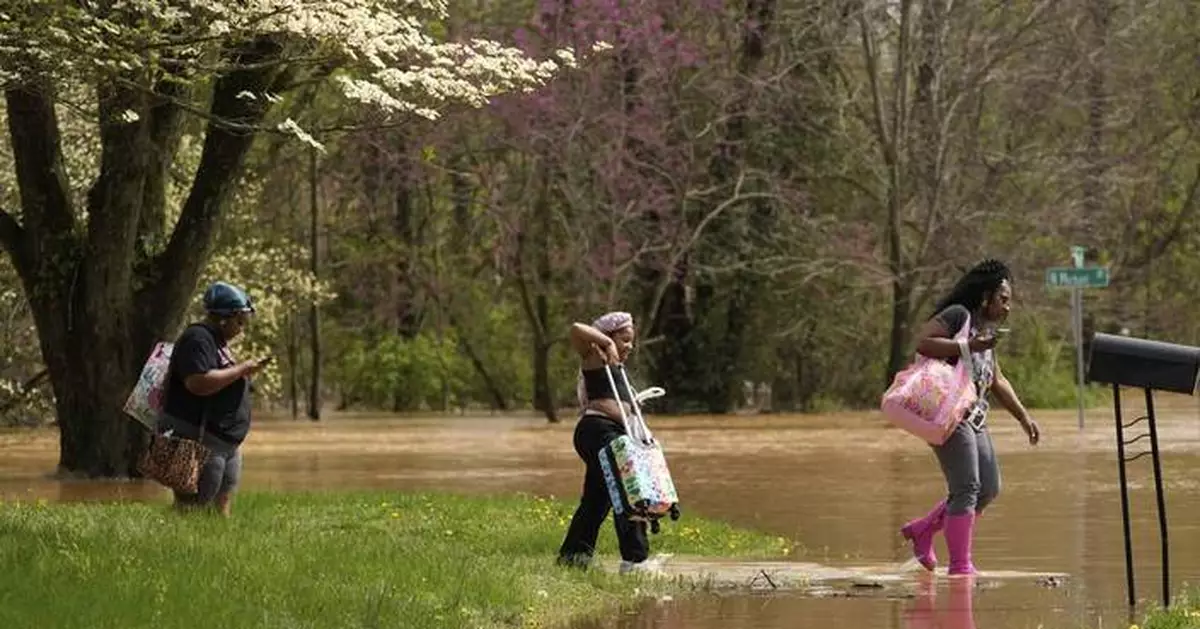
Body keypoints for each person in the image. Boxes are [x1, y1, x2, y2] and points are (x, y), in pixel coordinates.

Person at [899, 259, 1041, 575]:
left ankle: (924, 529)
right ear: (985, 297)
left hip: (976, 417)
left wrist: (1024, 418)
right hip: (948, 413)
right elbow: (924, 342)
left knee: (988, 488)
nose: (1008, 307)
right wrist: (967, 346)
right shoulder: (958, 317)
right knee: (967, 487)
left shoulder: (986, 333)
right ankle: (961, 566)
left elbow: (997, 379)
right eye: (1003, 299)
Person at [556, 311, 660, 574]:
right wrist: (608, 343)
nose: (629, 346)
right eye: (624, 340)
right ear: (608, 337)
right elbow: (576, 326)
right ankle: (636, 562)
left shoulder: (620, 371)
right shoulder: (597, 357)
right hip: (597, 431)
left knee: (597, 499)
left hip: (613, 433)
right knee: (629, 489)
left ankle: (573, 558)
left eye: (631, 341)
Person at [158, 281, 270, 516]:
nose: (242, 328)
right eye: (239, 321)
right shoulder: (197, 339)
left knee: (222, 499)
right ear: (223, 318)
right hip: (198, 437)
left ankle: (221, 543)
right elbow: (197, 382)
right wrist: (241, 370)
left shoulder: (217, 342)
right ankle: (177, 545)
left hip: (225, 441)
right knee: (194, 503)